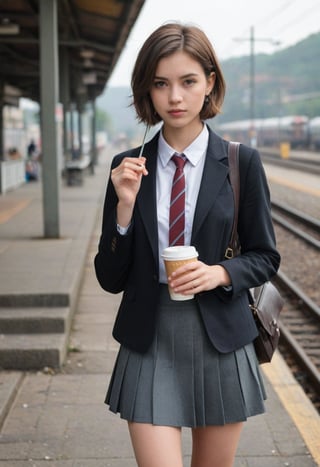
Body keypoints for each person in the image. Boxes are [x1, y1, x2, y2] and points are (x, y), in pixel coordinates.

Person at [94, 22, 281, 467]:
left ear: (210, 83)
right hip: (150, 336)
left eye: (188, 81)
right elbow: (109, 277)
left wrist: (220, 273)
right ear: (147, 90)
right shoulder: (127, 168)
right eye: (161, 84)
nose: (174, 97)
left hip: (220, 336)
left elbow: (266, 256)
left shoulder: (241, 163)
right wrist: (123, 211)